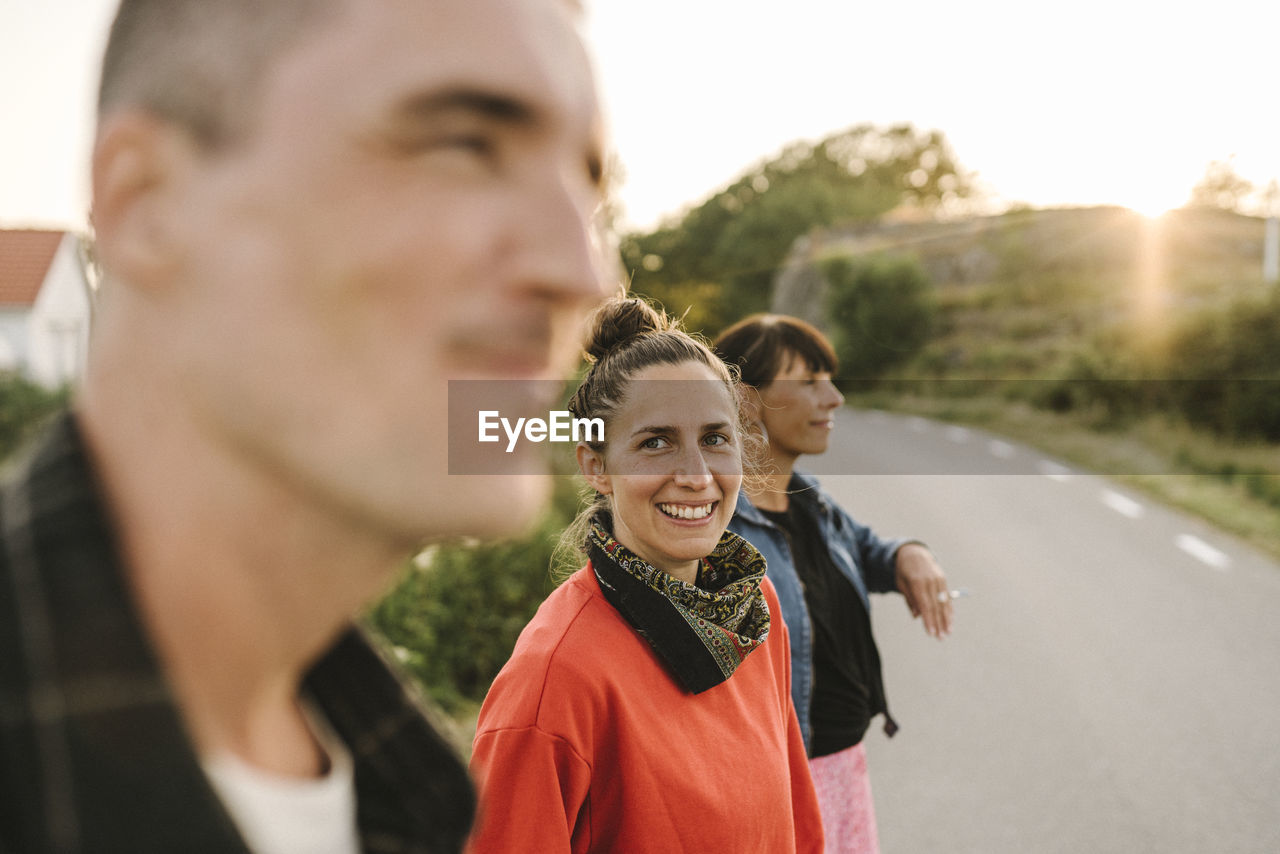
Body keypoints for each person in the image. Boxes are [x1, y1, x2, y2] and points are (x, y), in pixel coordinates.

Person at [0, 0, 608, 852]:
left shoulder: (403, 789)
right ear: (146, 202)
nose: (583, 270)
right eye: (465, 144)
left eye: (587, 184)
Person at [467, 297, 824, 853]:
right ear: (597, 467)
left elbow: (797, 826)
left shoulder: (753, 606)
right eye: (655, 442)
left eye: (714, 438)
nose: (696, 475)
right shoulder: (555, 678)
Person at [714, 314, 953, 854]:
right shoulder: (713, 529)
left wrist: (909, 553)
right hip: (780, 788)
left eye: (830, 379)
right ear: (746, 400)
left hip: (844, 769)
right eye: (809, 381)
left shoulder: (811, 503)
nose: (835, 398)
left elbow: (869, 549)